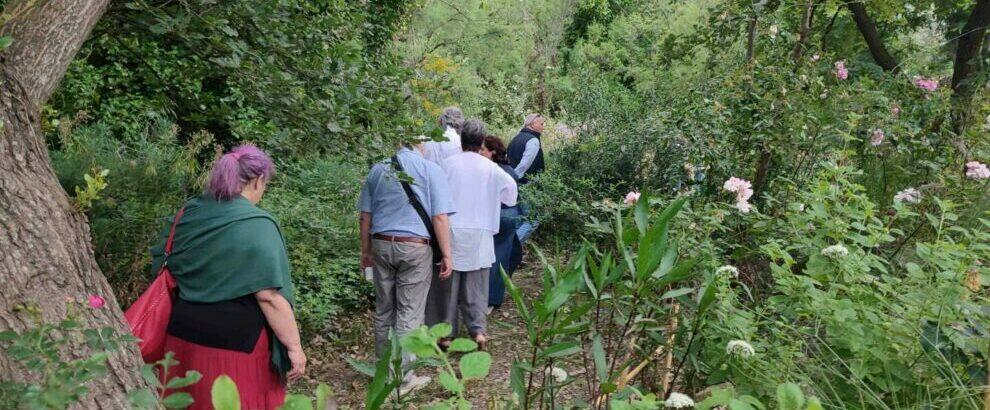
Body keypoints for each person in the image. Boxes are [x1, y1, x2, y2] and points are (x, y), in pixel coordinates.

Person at [150, 145, 303, 409]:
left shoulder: (190, 212)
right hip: (236, 346)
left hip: (182, 335)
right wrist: (295, 347)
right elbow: (269, 297)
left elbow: (166, 262)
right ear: (257, 181)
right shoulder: (257, 224)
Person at [358, 140, 455, 392]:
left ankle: (383, 370)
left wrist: (365, 250)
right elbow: (440, 217)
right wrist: (447, 254)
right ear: (420, 145)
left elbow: (365, 216)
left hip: (380, 244)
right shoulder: (430, 169)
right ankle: (402, 379)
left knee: (384, 310)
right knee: (409, 312)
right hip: (414, 247)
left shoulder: (378, 169)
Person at [433, 119, 517, 349]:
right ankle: (478, 330)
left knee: (449, 283)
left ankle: (447, 334)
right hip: (480, 229)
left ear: (461, 140)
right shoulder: (490, 168)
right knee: (477, 284)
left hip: (451, 228)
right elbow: (511, 194)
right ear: (481, 142)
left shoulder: (446, 164)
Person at [480, 136, 523, 312]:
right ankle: (493, 297)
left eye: (483, 149)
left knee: (494, 257)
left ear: (493, 152)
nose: (479, 152)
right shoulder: (509, 170)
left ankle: (489, 298)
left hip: (498, 214)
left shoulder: (490, 170)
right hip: (510, 214)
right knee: (504, 255)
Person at [507, 113, 546, 184]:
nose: (543, 127)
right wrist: (515, 178)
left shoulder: (516, 137)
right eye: (541, 124)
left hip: (513, 179)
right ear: (533, 124)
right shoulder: (533, 140)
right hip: (525, 184)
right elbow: (524, 164)